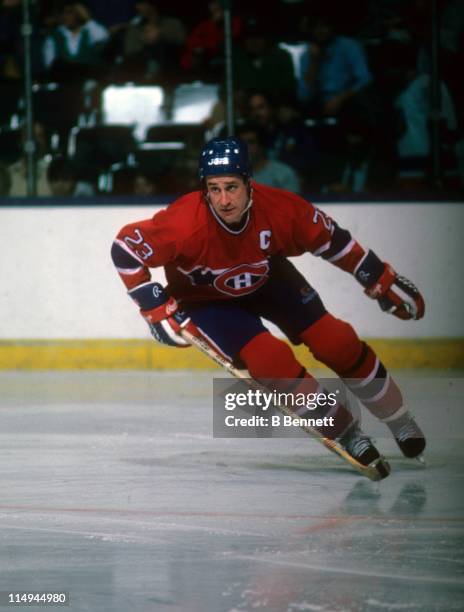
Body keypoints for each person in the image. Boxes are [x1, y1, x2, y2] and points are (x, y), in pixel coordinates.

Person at [111, 137, 426, 478]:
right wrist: (152, 305)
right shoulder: (185, 221)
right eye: (213, 189)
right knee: (270, 362)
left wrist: (376, 276)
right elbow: (124, 250)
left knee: (338, 342)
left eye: (232, 187)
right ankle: (347, 431)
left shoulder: (280, 208)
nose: (224, 200)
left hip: (269, 279)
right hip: (205, 300)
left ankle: (400, 420)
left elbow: (332, 240)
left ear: (250, 183)